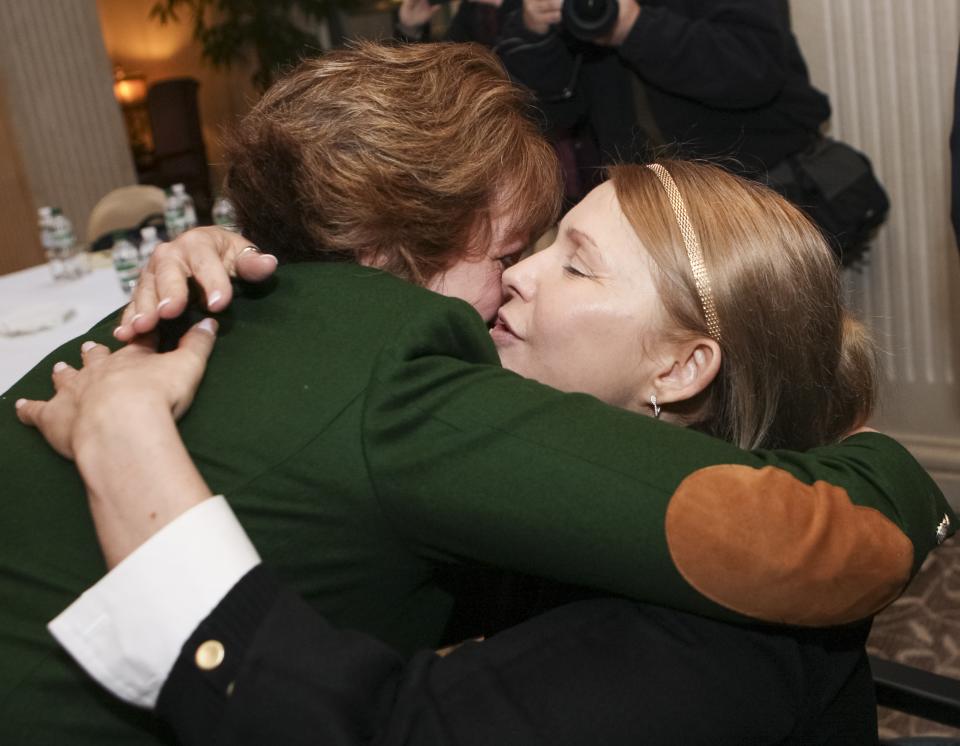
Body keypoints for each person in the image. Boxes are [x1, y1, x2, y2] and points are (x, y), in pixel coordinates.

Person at [2, 41, 952, 744]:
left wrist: (134, 455)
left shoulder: (707, 626)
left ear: (681, 367)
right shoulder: (481, 453)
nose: (521, 279)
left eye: (571, 264)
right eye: (517, 251)